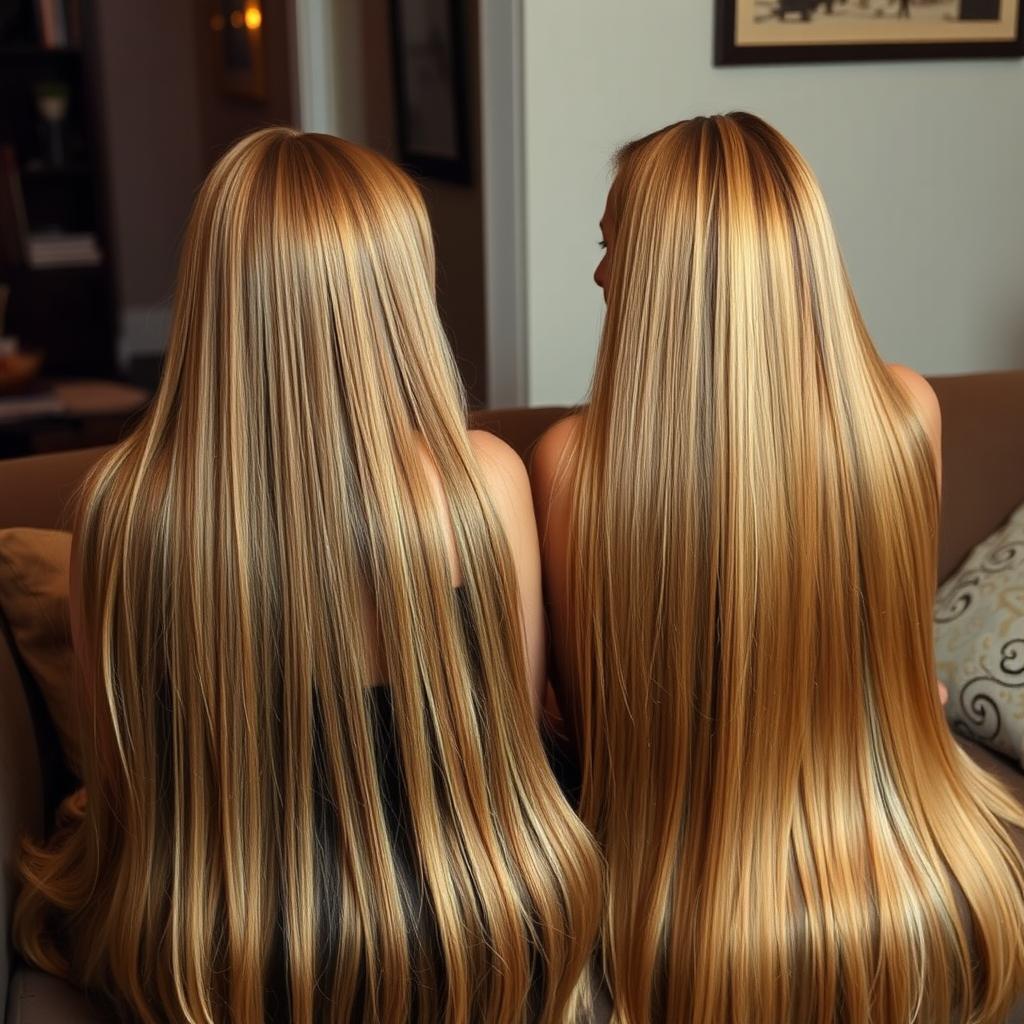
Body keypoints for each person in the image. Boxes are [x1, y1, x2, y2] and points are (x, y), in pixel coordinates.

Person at [15, 128, 602, 1024]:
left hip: (215, 952)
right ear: (397, 292)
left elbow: (124, 779)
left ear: (215, 290)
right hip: (468, 930)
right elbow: (511, 745)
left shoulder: (122, 510)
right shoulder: (483, 480)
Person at [532, 112, 1024, 1024]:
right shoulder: (906, 415)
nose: (600, 274)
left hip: (673, 896)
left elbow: (596, 734)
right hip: (900, 860)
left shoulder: (572, 466)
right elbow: (905, 665)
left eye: (612, 246)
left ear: (669, 271)